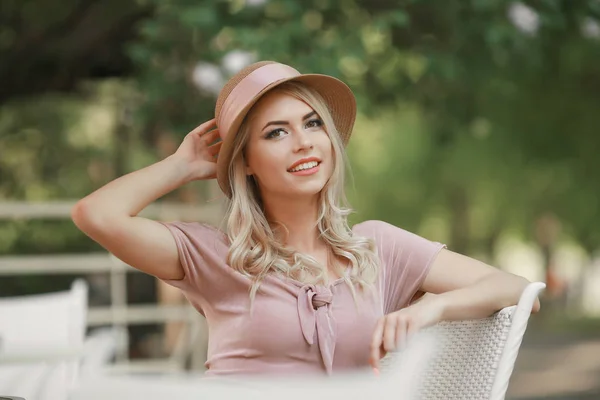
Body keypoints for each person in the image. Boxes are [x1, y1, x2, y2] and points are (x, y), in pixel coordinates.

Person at [72, 61, 540, 377]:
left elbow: (518, 290)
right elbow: (96, 215)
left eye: (312, 123)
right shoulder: (216, 255)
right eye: (277, 132)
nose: (303, 141)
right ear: (246, 162)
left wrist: (431, 307)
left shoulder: (378, 249)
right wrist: (181, 165)